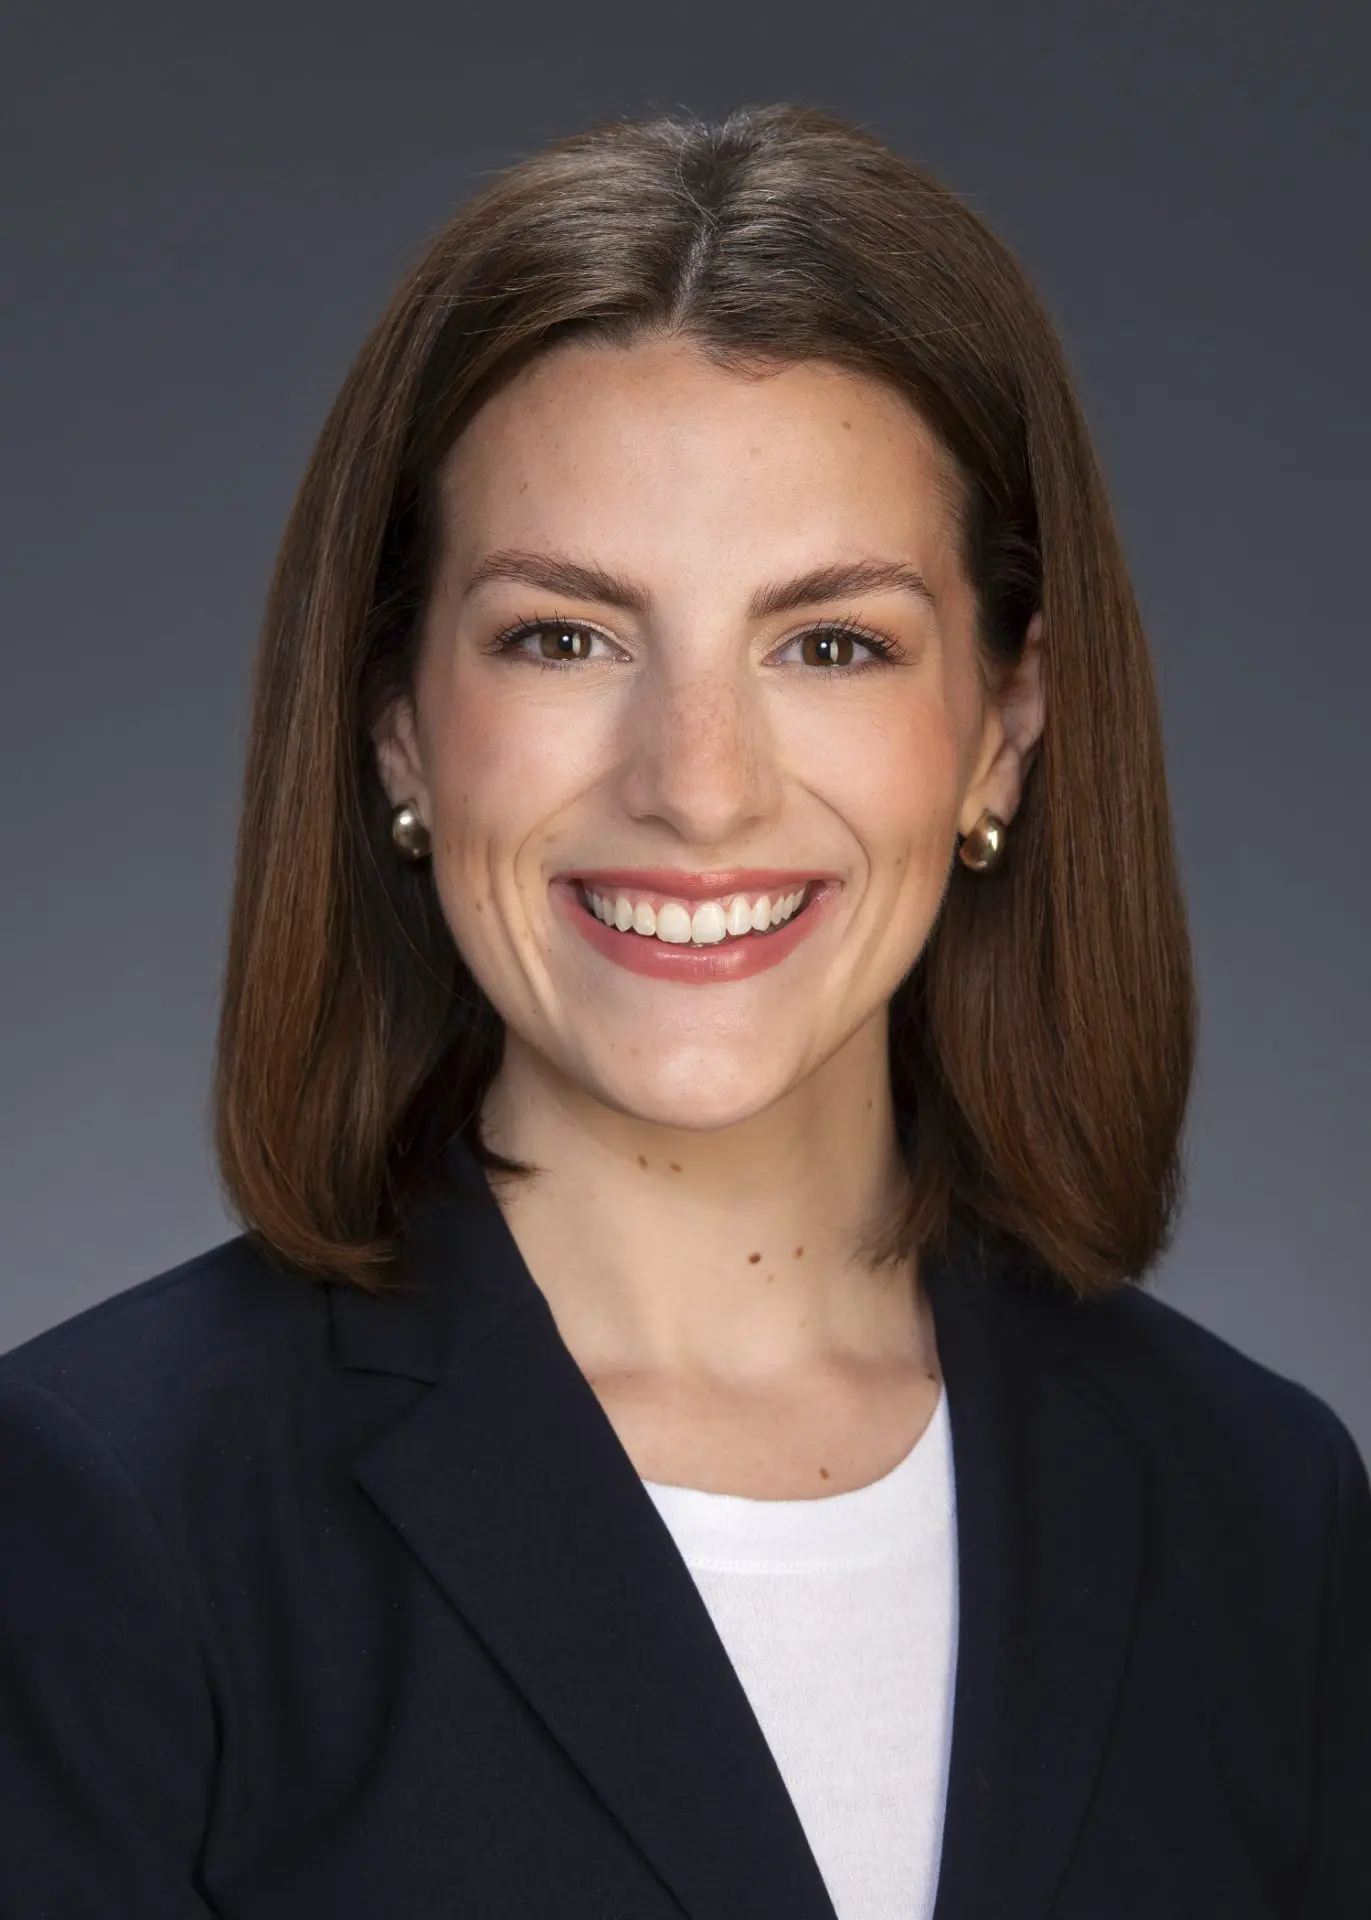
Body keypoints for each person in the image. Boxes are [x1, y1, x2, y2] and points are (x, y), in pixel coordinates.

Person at [1, 102, 1366, 1920]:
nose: (697, 786)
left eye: (831, 643)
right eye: (564, 636)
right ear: (396, 722)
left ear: (1002, 731)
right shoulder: (103, 1514)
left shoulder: (1263, 1515)